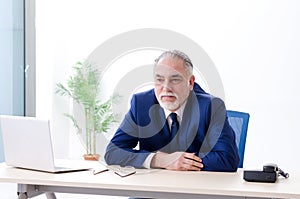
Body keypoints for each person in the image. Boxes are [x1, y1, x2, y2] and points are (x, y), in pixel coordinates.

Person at [104, 50, 239, 172]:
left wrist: (182, 162)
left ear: (190, 83)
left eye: (175, 80)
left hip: (195, 189)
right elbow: (113, 152)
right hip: (152, 189)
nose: (166, 88)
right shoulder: (141, 104)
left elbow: (227, 159)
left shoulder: (211, 106)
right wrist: (160, 160)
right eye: (159, 80)